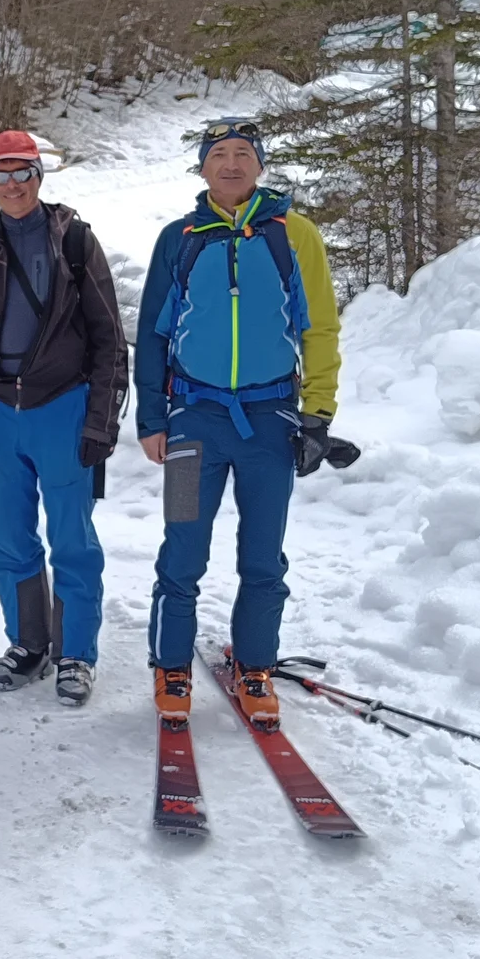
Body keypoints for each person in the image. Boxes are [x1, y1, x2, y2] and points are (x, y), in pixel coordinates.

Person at [135, 118, 340, 731]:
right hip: (195, 418)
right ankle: (171, 663)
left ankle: (255, 663)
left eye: (242, 154)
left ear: (259, 165)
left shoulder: (293, 235)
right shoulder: (180, 238)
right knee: (183, 549)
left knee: (261, 556)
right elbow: (152, 331)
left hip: (270, 420)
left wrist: (318, 413)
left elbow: (319, 327)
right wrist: (152, 415)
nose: (230, 164)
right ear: (202, 168)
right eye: (218, 154)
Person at [0, 129, 128, 706]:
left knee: (73, 538)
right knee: (11, 538)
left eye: (22, 173)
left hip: (61, 407)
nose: (12, 185)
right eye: (0, 175)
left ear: (39, 177)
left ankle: (75, 653)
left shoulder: (74, 241)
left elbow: (109, 339)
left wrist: (101, 420)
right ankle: (29, 644)